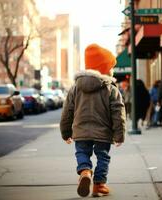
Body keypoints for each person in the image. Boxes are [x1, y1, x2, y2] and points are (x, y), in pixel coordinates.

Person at [60, 43, 126, 197]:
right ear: (104, 68)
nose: (113, 70)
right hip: (103, 131)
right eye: (111, 67)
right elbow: (118, 113)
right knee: (103, 156)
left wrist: (65, 132)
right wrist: (119, 135)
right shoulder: (111, 89)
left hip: (81, 130)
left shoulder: (75, 88)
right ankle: (99, 185)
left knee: (82, 152)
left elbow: (67, 111)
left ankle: (85, 171)